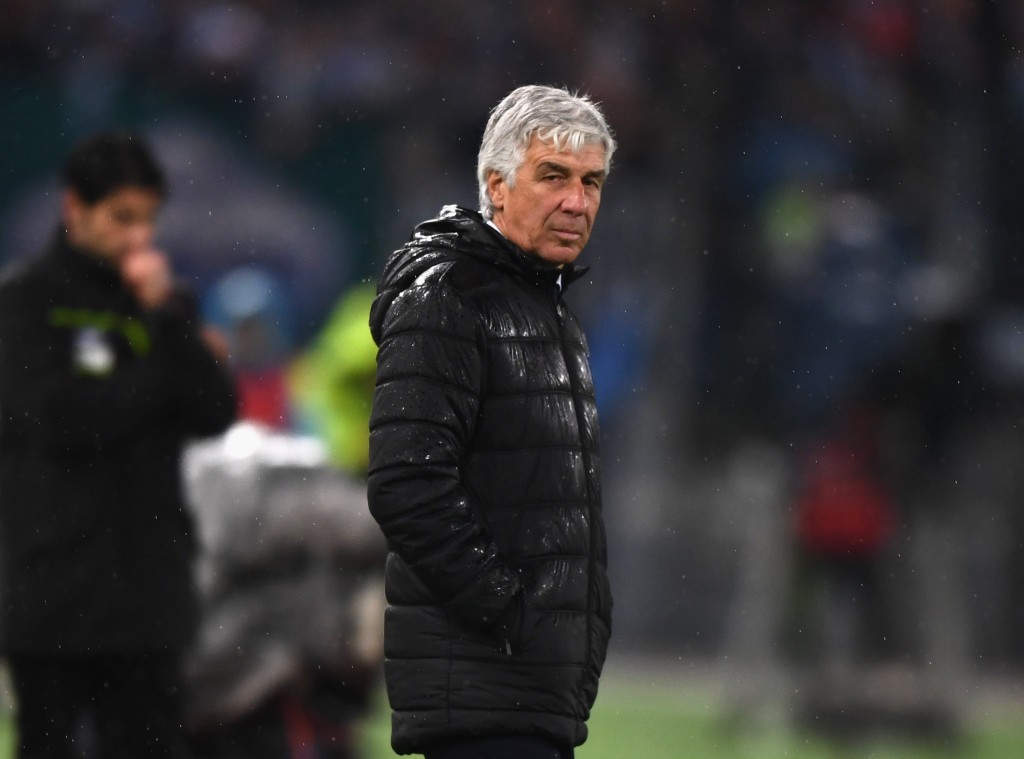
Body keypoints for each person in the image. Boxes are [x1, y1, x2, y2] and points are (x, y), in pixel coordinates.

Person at [367, 84, 616, 759]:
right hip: (482, 691)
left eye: (591, 181)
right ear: (496, 187)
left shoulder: (547, 307)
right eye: (554, 176)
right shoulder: (447, 297)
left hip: (528, 694)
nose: (577, 202)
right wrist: (511, 614)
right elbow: (406, 486)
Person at [0, 131, 237, 757]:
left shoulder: (162, 307)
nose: (138, 237)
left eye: (148, 220)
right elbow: (59, 421)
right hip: (53, 598)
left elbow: (214, 412)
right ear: (74, 209)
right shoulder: (24, 303)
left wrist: (170, 323)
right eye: (121, 217)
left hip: (148, 598)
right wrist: (159, 370)